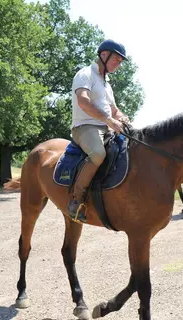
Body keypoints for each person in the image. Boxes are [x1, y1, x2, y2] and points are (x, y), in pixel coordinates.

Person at [67, 39, 131, 217]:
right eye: (116, 60)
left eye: (120, 62)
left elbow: (114, 110)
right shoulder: (85, 74)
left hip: (106, 127)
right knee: (98, 153)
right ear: (104, 54)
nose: (118, 64)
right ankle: (76, 200)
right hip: (85, 127)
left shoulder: (106, 84)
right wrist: (110, 121)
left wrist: (124, 119)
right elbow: (83, 101)